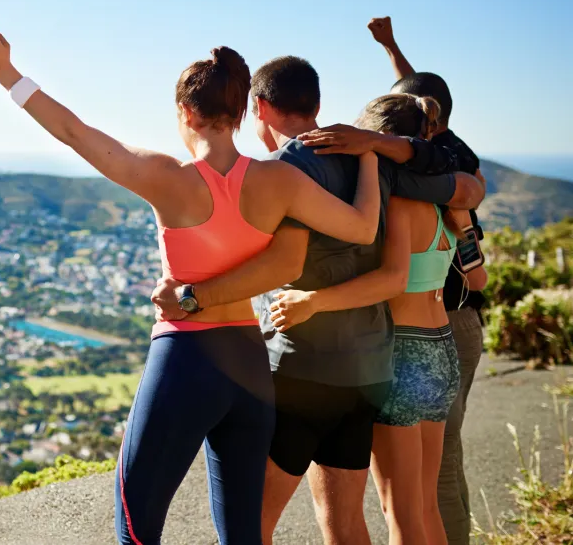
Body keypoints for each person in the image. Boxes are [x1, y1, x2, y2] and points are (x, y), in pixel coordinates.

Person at [0, 29, 382, 545]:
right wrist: (369, 153)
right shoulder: (281, 182)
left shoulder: (167, 178)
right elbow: (364, 228)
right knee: (244, 537)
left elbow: (74, 133)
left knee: (136, 526)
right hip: (251, 366)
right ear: (239, 115)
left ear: (186, 114)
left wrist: (6, 73)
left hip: (186, 360)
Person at [151, 56, 485, 545]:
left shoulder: (282, 172)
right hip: (371, 368)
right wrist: (375, 147)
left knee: (250, 524)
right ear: (319, 105)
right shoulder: (373, 163)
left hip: (305, 370)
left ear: (258, 107)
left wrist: (194, 296)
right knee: (359, 521)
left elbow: (284, 264)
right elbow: (463, 186)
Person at [296, 16, 488, 545]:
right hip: (441, 345)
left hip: (401, 352)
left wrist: (313, 301)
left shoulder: (398, 203)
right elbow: (477, 272)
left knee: (397, 508)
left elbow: (390, 276)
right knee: (422, 503)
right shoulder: (450, 199)